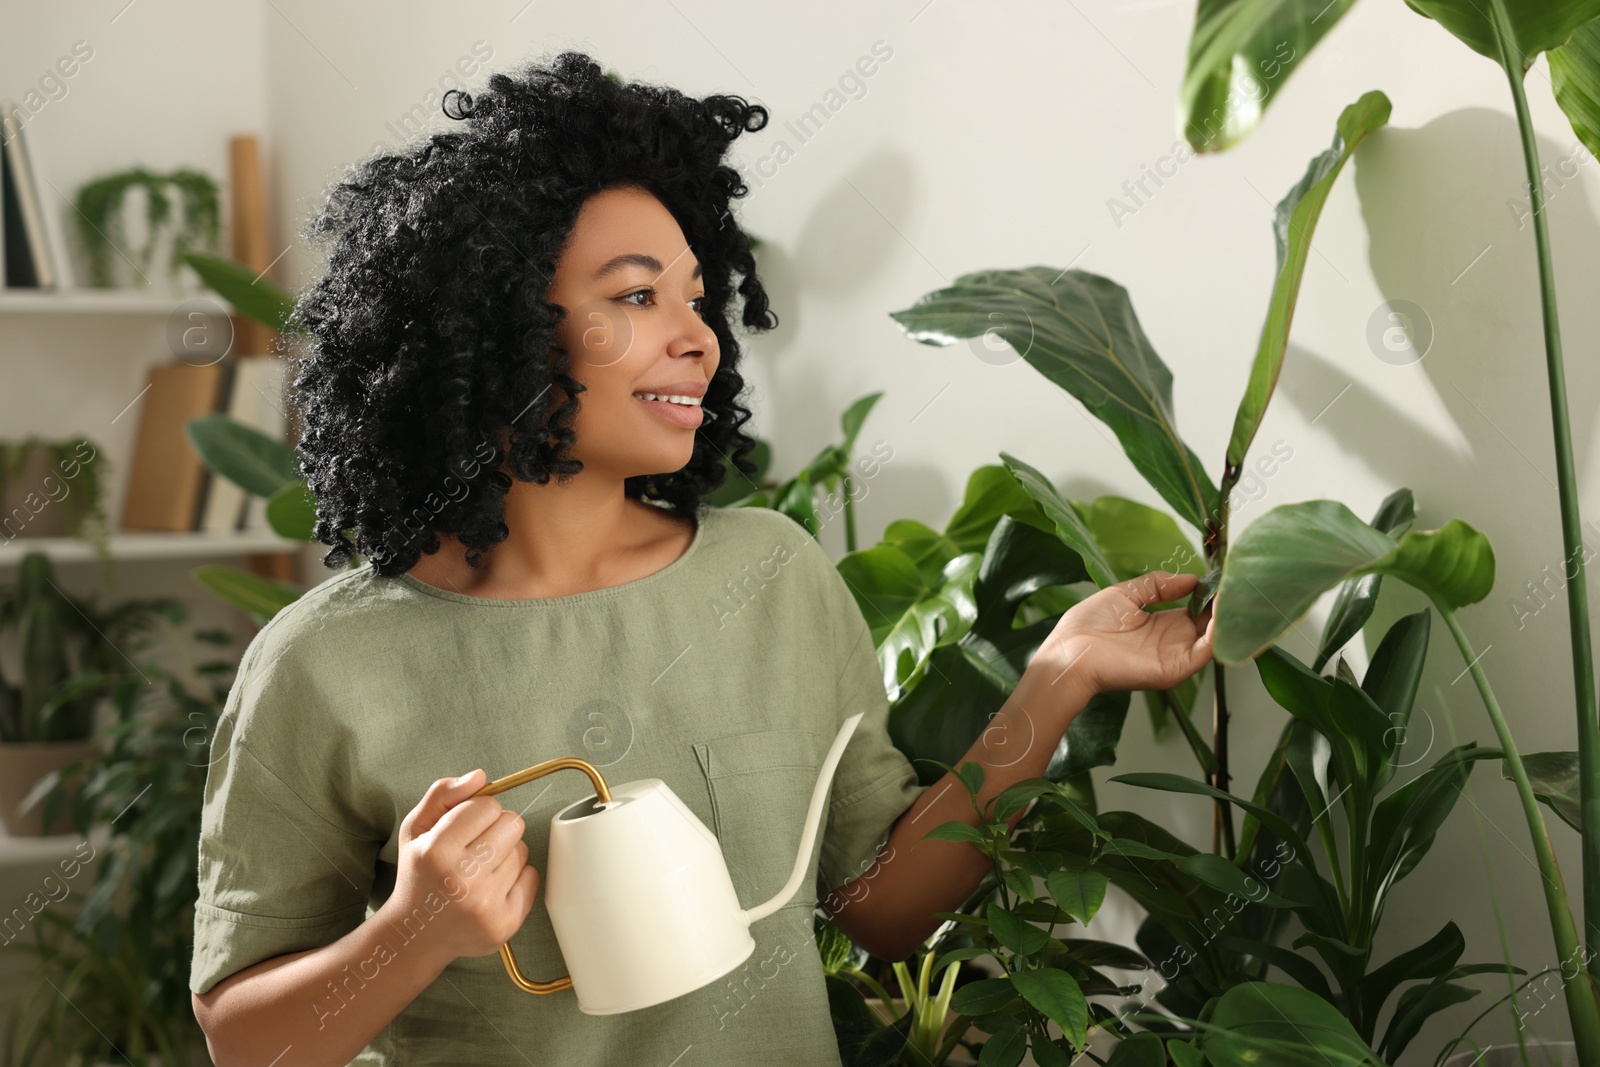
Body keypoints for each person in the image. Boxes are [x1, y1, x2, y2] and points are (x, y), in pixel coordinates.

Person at [187, 50, 1215, 1067]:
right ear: (493, 320)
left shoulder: (772, 576)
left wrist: (1059, 675)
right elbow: (246, 1039)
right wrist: (412, 930)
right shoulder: (323, 663)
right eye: (636, 297)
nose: (700, 339)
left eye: (696, 295)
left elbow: (880, 909)